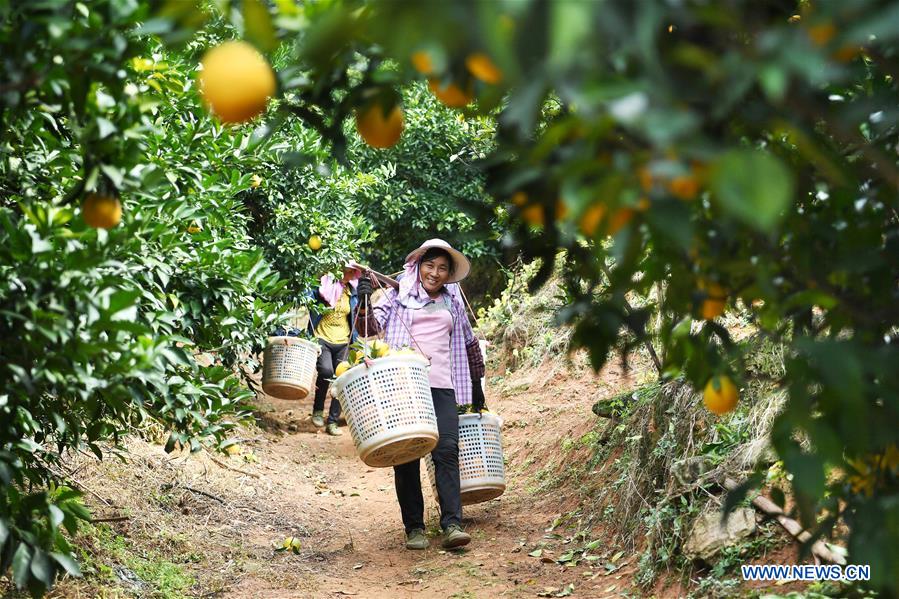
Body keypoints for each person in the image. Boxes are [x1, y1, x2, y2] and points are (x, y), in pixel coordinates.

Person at [356, 239, 486, 551]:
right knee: (407, 454)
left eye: (442, 268)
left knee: (447, 450)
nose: (435, 273)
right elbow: (368, 329)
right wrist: (361, 303)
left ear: (449, 274)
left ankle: (452, 524)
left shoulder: (452, 300)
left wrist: (478, 385)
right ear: (418, 266)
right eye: (430, 265)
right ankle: (414, 527)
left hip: (442, 383)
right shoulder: (397, 295)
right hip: (403, 384)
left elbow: (468, 341)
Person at [308, 264, 362, 436]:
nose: (348, 274)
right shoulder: (325, 287)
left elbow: (358, 312)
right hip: (323, 337)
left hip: (344, 341)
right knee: (325, 371)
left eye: (352, 271)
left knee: (341, 378)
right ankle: (317, 411)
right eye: (346, 270)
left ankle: (332, 421)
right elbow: (308, 296)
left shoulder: (352, 292)